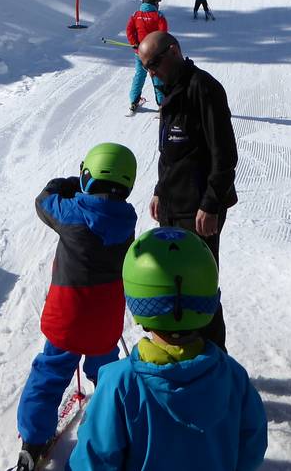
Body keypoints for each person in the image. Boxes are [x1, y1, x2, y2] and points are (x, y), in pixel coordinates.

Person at [67, 227, 267, 470]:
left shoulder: (119, 384)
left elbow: (93, 461)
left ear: (136, 300)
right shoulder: (234, 377)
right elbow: (251, 448)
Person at [14, 143, 139, 471]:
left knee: (50, 372)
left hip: (68, 318)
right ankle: (111, 426)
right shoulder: (127, 218)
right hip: (104, 319)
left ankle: (33, 442)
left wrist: (70, 183)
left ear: (87, 176)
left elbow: (44, 201)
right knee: (107, 372)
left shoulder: (73, 211)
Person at [138, 31, 237, 351]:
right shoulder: (171, 91)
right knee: (173, 286)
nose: (151, 73)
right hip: (173, 207)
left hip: (198, 211)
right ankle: (183, 357)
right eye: (145, 67)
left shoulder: (204, 89)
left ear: (173, 51)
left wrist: (211, 204)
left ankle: (214, 360)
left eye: (153, 64)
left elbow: (225, 155)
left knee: (200, 289)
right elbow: (169, 151)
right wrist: (159, 190)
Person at [125, 0, 168, 113]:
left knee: (139, 75)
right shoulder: (158, 16)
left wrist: (134, 43)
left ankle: (134, 101)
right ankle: (162, 104)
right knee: (158, 76)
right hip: (154, 53)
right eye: (157, 3)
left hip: (140, 52)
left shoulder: (135, 15)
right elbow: (163, 33)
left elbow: (129, 30)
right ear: (153, 3)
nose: (158, 5)